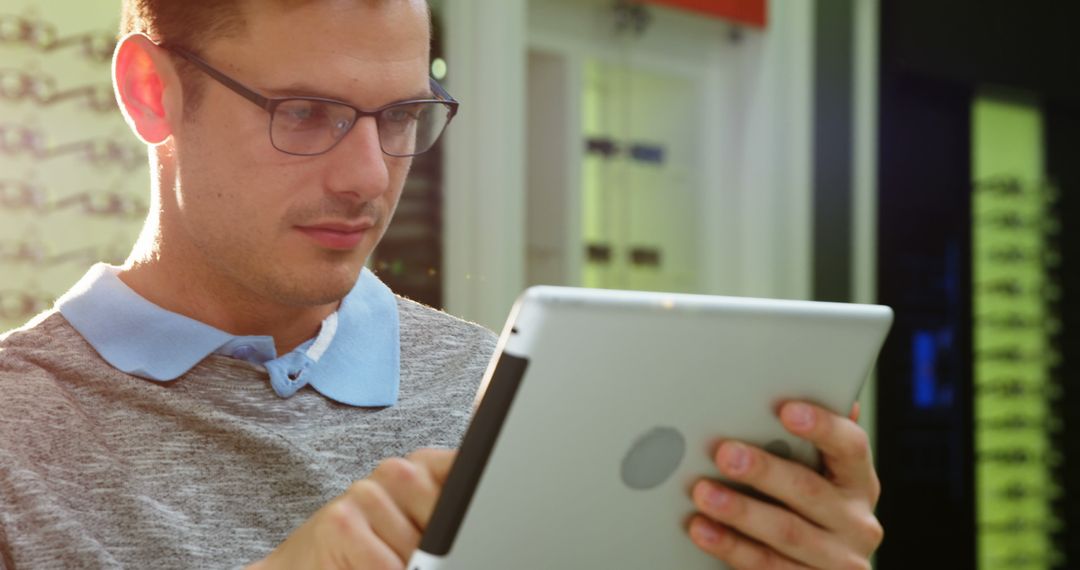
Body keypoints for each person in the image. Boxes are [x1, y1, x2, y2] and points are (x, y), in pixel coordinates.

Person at [0, 0, 884, 568]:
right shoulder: (18, 436)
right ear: (152, 94)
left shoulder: (518, 389)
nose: (369, 179)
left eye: (401, 117)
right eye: (305, 113)